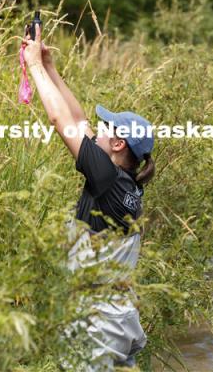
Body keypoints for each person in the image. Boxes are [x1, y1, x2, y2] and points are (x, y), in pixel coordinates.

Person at [23, 23, 156, 370]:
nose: (95, 131)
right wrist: (51, 67)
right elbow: (79, 120)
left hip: (98, 325)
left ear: (117, 144)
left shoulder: (107, 178)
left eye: (106, 129)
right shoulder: (127, 182)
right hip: (122, 320)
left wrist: (34, 66)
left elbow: (60, 119)